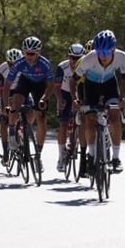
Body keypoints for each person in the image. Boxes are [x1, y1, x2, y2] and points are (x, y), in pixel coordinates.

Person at [72, 29, 125, 175]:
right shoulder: (89, 59)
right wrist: (75, 99)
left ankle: (116, 158)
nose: (102, 56)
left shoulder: (122, 57)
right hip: (91, 86)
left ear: (114, 49)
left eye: (106, 52)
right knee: (89, 120)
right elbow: (73, 80)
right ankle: (91, 154)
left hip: (110, 84)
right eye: (99, 52)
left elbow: (124, 80)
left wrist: (121, 98)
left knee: (114, 119)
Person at [7, 36, 54, 171]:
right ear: (23, 52)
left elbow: (51, 86)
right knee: (15, 104)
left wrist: (43, 99)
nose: (29, 56)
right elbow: (7, 84)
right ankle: (12, 133)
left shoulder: (45, 64)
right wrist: (6, 104)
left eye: (32, 53)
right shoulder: (19, 63)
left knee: (41, 118)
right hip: (25, 82)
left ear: (38, 53)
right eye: (26, 53)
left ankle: (38, 156)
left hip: (41, 85)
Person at [54, 43, 84, 172]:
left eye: (78, 58)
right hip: (64, 94)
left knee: (84, 122)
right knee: (63, 124)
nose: (74, 61)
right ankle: (61, 157)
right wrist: (60, 100)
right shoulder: (62, 67)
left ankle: (77, 142)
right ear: (69, 57)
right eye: (72, 57)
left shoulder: (86, 65)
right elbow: (56, 86)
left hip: (80, 93)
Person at [0, 48, 21, 158]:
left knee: (28, 110)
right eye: (11, 64)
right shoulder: (1, 69)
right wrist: (6, 105)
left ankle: (21, 131)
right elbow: (1, 90)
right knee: (4, 120)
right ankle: (5, 151)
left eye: (16, 64)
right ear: (7, 62)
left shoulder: (24, 67)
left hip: (19, 90)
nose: (13, 66)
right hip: (6, 91)